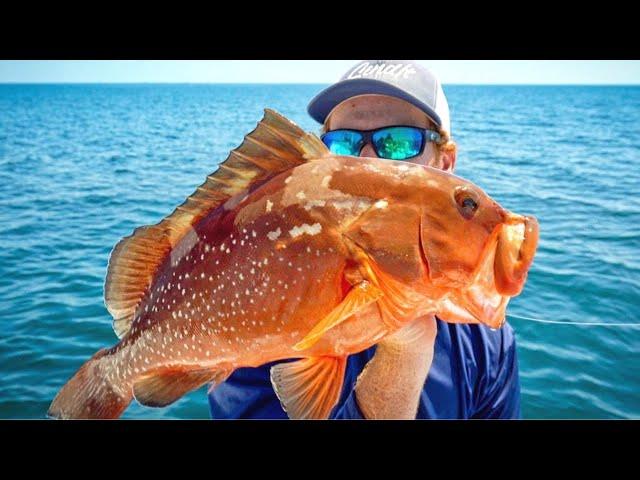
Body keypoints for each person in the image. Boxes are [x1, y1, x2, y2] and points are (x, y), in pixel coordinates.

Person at [208, 60, 521, 419]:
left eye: (398, 143)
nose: (368, 159)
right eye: (344, 144)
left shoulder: (488, 347)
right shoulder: (261, 285)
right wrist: (402, 358)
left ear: (445, 161)